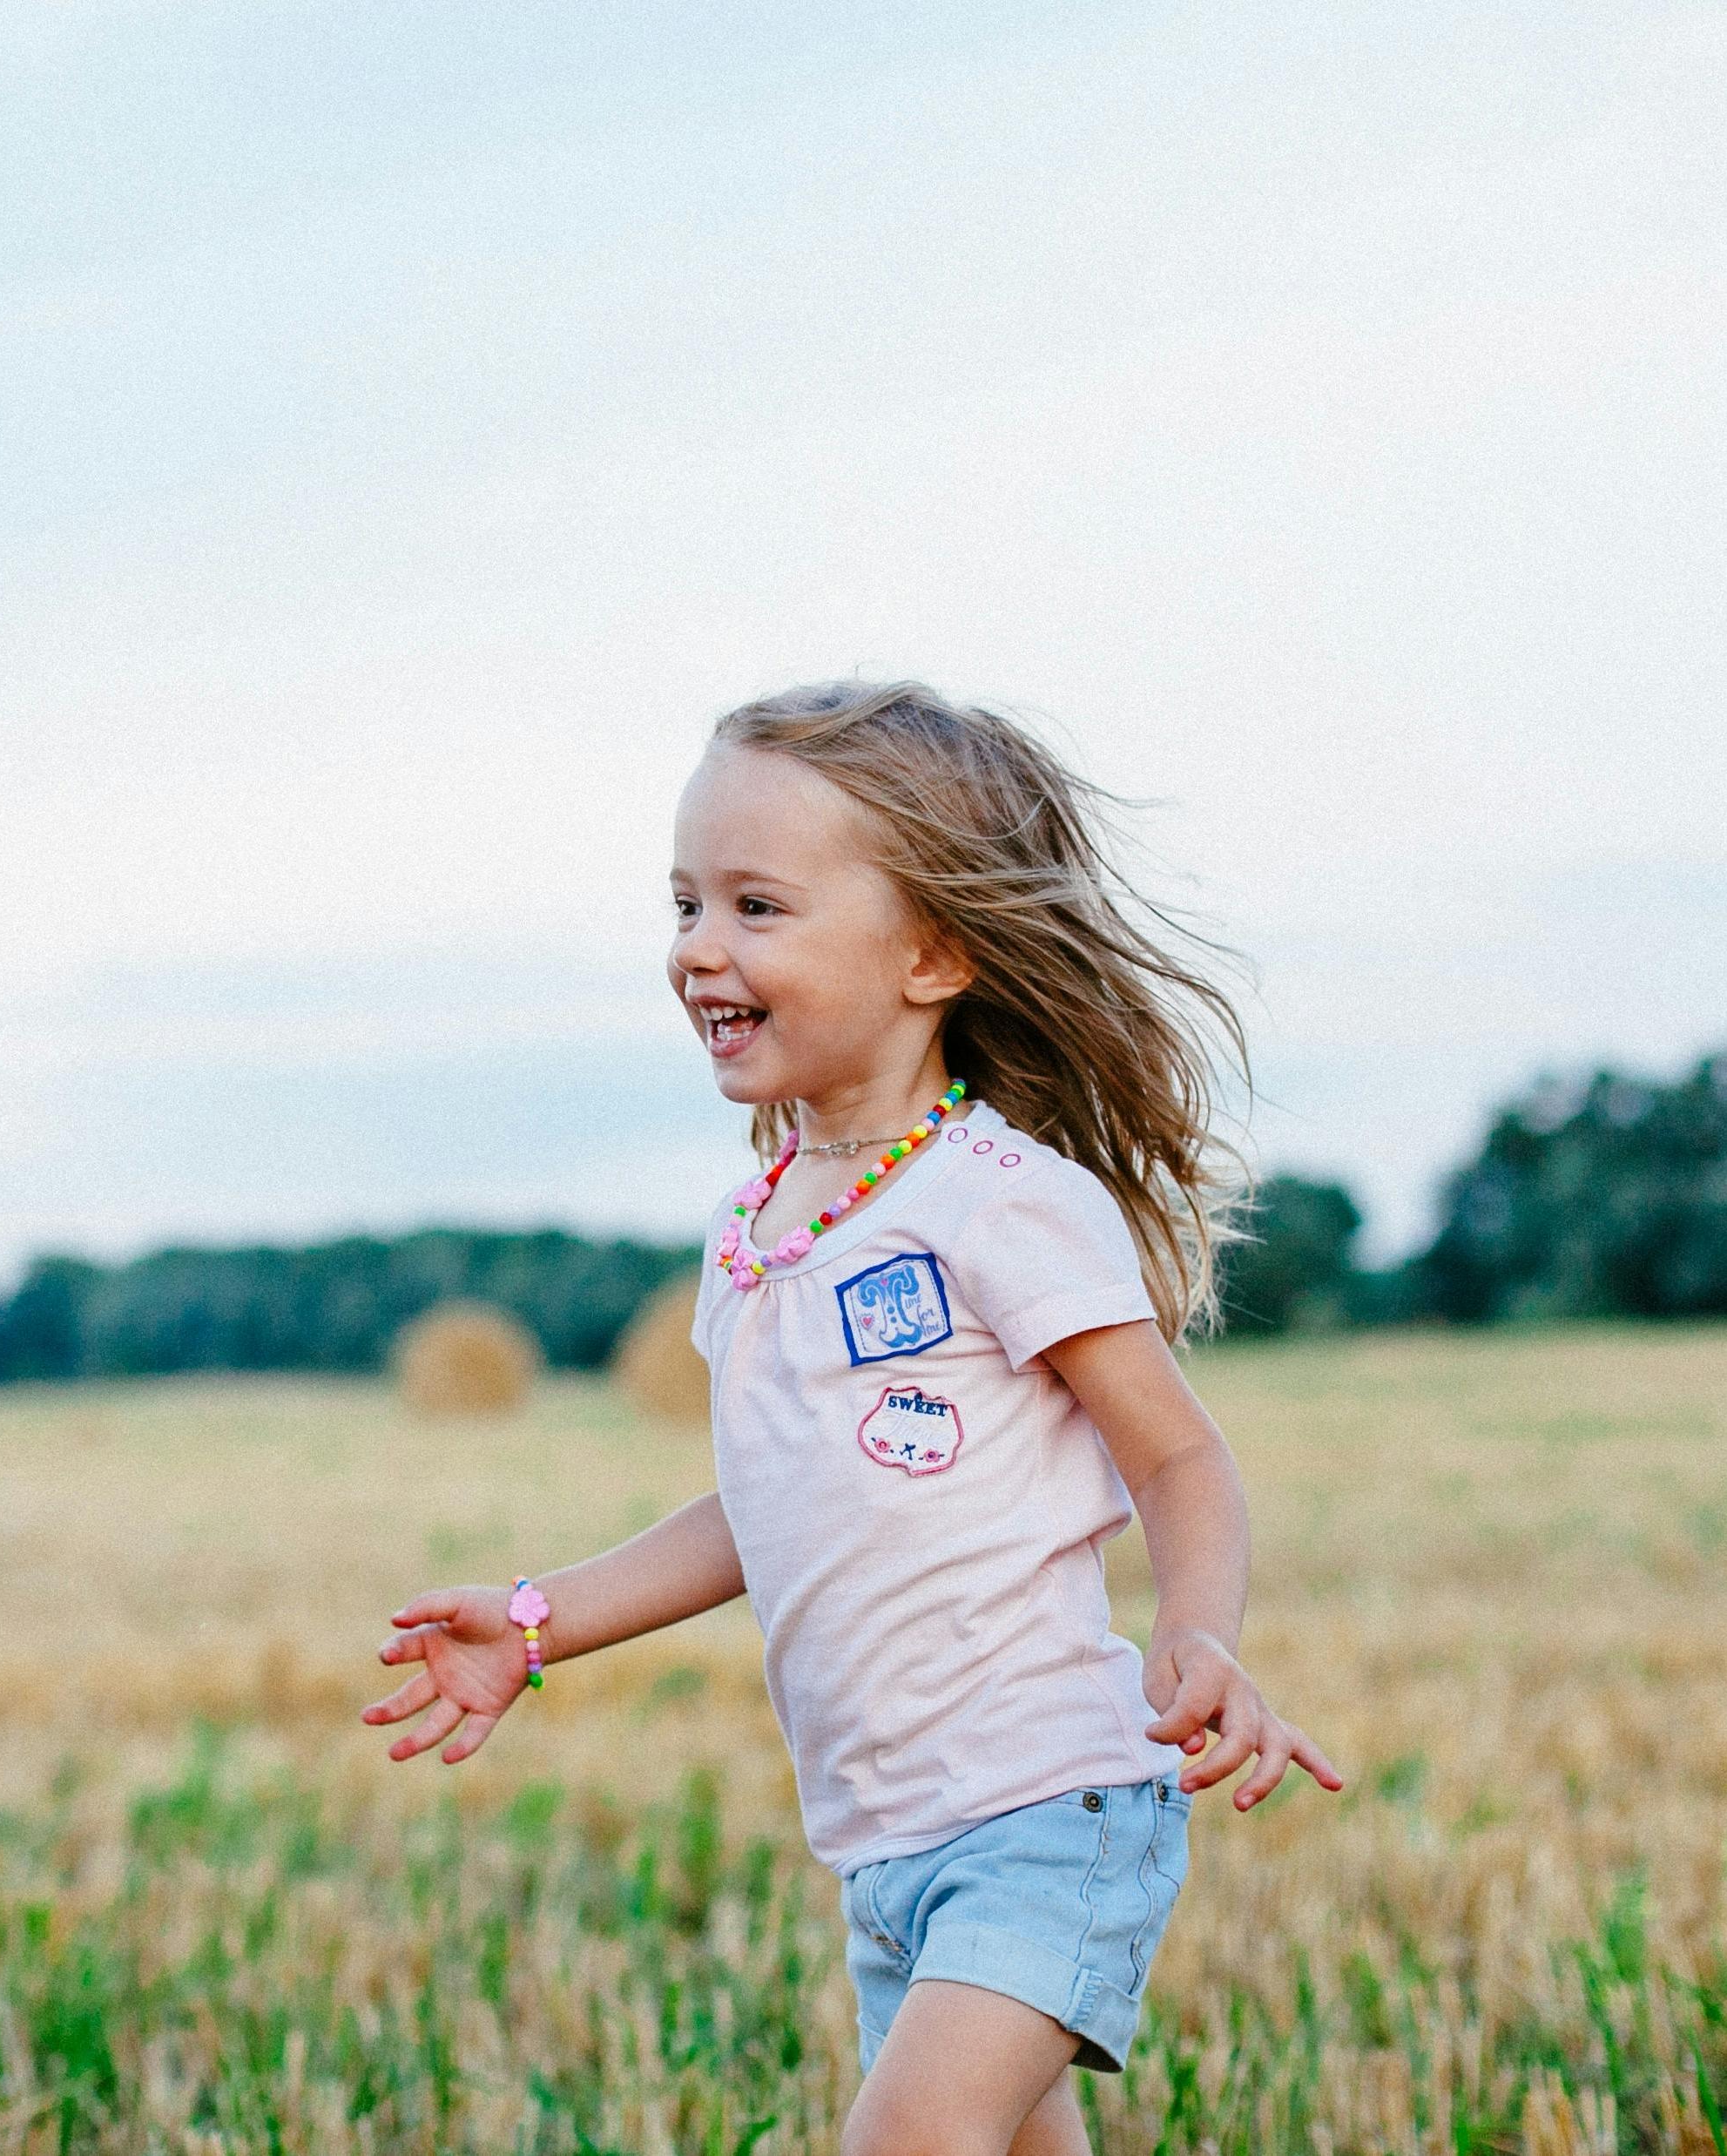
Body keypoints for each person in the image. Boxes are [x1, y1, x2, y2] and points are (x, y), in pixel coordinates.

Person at [361, 679, 1344, 2155]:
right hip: (884, 1846)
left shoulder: (1004, 1202)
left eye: (758, 907)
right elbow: (763, 1504)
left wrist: (1199, 1634)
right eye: (685, 902)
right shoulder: (756, 1227)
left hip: (1045, 1809)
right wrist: (540, 1616)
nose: (700, 948)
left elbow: (1176, 1452)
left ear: (933, 953)